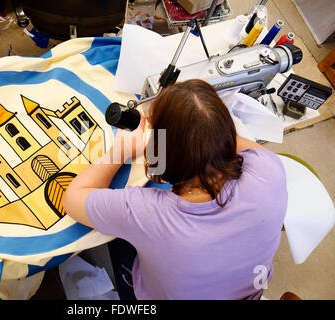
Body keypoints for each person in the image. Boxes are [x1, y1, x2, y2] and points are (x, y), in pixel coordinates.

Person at [63, 79, 288, 300]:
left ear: (160, 152)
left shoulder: (148, 213)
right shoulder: (267, 168)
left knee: (114, 235)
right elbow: (222, 138)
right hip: (247, 292)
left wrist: (120, 150)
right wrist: (189, 121)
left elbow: (72, 199)